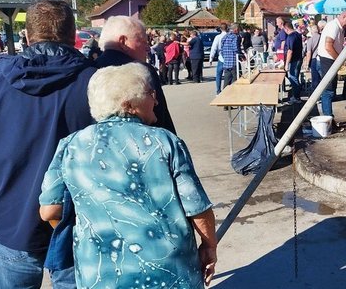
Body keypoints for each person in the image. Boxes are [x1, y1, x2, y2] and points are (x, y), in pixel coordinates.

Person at [39, 63, 217, 288]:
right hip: (171, 271)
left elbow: (49, 211)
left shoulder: (70, 145)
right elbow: (197, 207)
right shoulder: (165, 141)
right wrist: (210, 246)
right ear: (128, 104)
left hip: (101, 274)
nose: (156, 100)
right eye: (151, 94)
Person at [0, 0, 95, 288]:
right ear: (73, 35)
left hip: (11, 216)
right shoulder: (96, 82)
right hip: (76, 223)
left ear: (27, 35)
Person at [95, 15, 176, 134]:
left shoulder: (90, 70)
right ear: (123, 42)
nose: (148, 48)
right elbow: (161, 118)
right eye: (143, 41)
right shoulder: (142, 72)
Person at [317, 10, 346, 118]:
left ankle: (328, 117)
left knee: (330, 90)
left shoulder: (340, 29)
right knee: (328, 91)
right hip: (326, 60)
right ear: (344, 17)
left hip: (330, 60)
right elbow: (328, 46)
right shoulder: (333, 26)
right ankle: (328, 118)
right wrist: (340, 61)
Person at [283, 21, 303, 103]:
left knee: (293, 78)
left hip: (294, 60)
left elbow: (290, 51)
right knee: (295, 77)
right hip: (298, 58)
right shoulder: (298, 35)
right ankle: (296, 96)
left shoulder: (290, 37)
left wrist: (286, 64)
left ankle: (296, 97)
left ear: (286, 28)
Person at [221, 23, 242, 89]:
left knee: (226, 83)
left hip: (226, 63)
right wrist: (241, 55)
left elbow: (221, 50)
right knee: (235, 83)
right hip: (233, 63)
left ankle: (223, 96)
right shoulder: (235, 37)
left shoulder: (225, 36)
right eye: (238, 30)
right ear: (236, 29)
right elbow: (235, 48)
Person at [209, 23, 228, 95]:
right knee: (228, 75)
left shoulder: (218, 37)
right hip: (229, 57)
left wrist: (211, 58)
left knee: (219, 75)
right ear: (227, 28)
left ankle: (218, 91)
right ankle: (227, 90)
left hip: (221, 57)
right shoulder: (230, 36)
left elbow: (214, 48)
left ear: (220, 29)